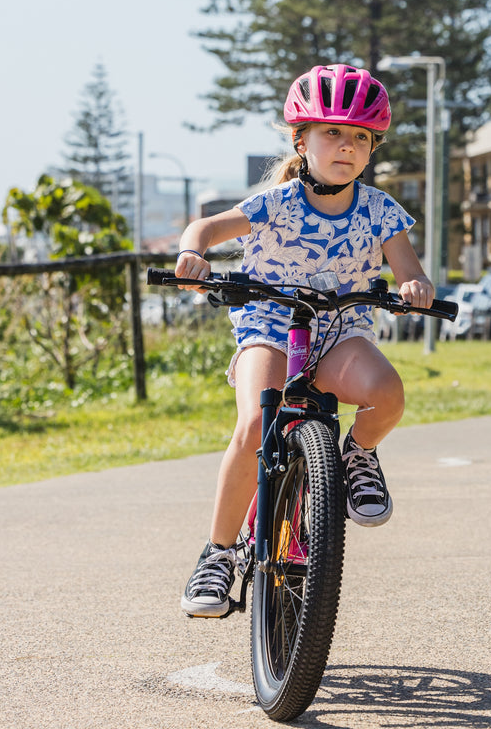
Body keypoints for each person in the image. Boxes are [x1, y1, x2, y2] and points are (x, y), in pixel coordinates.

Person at [176, 64, 434, 616]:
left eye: (360, 137)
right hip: (269, 327)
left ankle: (358, 455)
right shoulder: (279, 203)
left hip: (339, 332)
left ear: (372, 149)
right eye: (332, 132)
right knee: (255, 423)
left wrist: (416, 286)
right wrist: (192, 254)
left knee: (387, 393)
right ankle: (218, 554)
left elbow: (410, 271)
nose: (346, 146)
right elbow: (207, 229)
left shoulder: (380, 211)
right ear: (301, 140)